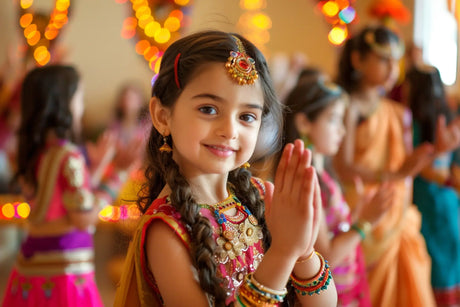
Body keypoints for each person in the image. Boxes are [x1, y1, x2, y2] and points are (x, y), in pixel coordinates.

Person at [114, 30, 338, 306]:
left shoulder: (260, 196)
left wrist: (303, 252)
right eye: (208, 109)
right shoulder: (166, 230)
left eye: (246, 116)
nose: (230, 130)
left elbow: (325, 303)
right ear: (162, 116)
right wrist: (282, 253)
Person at [334, 25, 460, 307]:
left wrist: (436, 152)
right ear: (357, 60)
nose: (393, 69)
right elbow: (344, 167)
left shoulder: (399, 112)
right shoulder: (349, 106)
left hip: (397, 211)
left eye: (397, 60)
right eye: (383, 59)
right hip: (362, 209)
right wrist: (394, 174)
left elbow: (405, 169)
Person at [1, 65, 141, 306]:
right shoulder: (68, 156)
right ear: (63, 103)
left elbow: (64, 200)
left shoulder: (35, 153)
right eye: (79, 97)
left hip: (30, 269)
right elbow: (83, 217)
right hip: (64, 273)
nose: (82, 106)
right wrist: (118, 175)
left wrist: (96, 169)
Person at [283, 79, 394, 306]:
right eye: (333, 120)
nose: (342, 131)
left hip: (348, 287)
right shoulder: (307, 178)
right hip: (332, 293)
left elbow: (335, 232)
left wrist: (357, 213)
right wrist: (364, 222)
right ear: (304, 122)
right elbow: (325, 259)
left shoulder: (324, 174)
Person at [405, 64, 460, 306]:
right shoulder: (447, 115)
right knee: (447, 260)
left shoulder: (415, 120)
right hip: (447, 200)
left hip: (426, 200)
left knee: (432, 264)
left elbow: (427, 168)